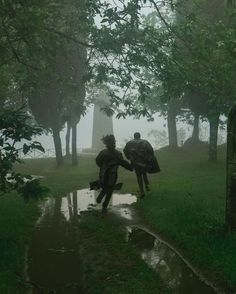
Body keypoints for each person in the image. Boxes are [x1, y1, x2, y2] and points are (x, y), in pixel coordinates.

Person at [95, 134, 133, 213]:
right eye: (112, 142)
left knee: (109, 188)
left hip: (107, 174)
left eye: (114, 142)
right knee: (109, 188)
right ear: (108, 143)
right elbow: (123, 163)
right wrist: (130, 167)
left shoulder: (105, 152)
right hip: (110, 174)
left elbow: (98, 161)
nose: (113, 144)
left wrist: (130, 167)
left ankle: (104, 203)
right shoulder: (116, 153)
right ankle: (103, 203)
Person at [123, 132, 154, 198]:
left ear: (134, 136)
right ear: (140, 136)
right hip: (144, 161)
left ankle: (142, 191)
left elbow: (125, 150)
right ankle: (147, 186)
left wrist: (128, 157)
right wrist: (149, 158)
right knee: (144, 173)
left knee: (139, 176)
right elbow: (151, 150)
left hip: (135, 162)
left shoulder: (129, 143)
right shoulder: (145, 142)